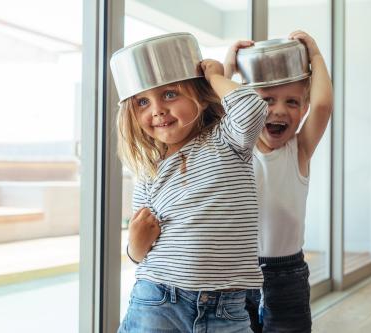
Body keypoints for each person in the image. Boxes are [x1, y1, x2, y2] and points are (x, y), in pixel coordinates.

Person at [112, 34, 268, 333]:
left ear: (200, 94)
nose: (156, 109)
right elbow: (140, 250)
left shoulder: (227, 140)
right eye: (143, 101)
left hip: (228, 306)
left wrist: (214, 76)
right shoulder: (149, 170)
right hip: (158, 298)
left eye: (170, 94)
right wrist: (134, 244)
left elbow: (250, 107)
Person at [224, 30, 333, 333]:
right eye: (267, 100)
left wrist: (316, 55)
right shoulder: (235, 148)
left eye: (293, 102)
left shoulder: (298, 150)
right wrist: (228, 68)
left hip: (287, 275)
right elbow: (217, 107)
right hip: (237, 274)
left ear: (304, 108)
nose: (280, 110)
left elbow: (323, 105)